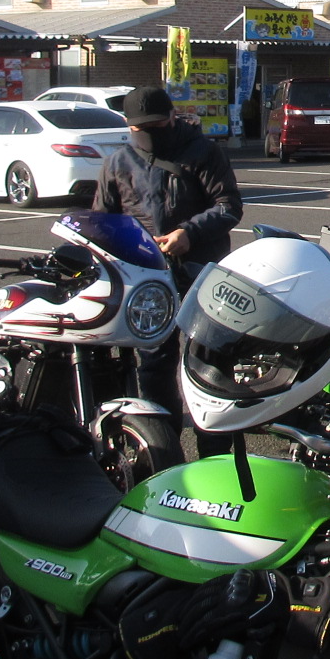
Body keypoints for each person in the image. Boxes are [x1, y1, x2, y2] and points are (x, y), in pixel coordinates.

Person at [95, 85, 245, 416]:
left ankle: (214, 439)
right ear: (128, 124)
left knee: (209, 361)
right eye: (142, 127)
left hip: (201, 272)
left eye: (158, 124)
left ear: (173, 117)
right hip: (147, 278)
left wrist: (190, 233)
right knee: (154, 363)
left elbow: (228, 205)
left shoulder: (204, 151)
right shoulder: (118, 163)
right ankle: (161, 437)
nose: (150, 131)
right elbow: (103, 223)